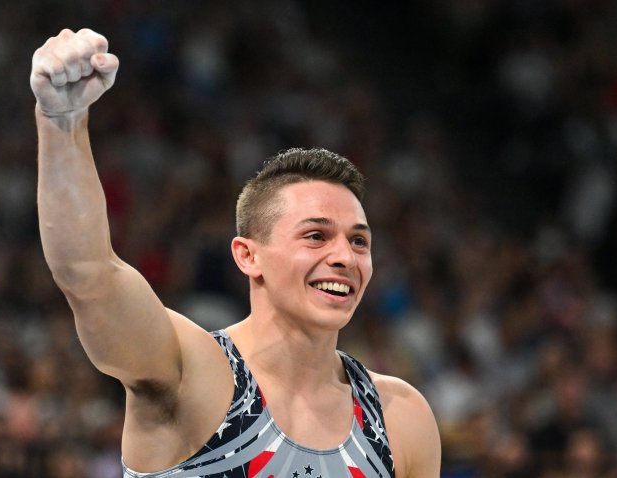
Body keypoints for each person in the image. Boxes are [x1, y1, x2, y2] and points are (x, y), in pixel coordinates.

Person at [30, 28, 441, 478]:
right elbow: (89, 275)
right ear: (248, 256)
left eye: (359, 240)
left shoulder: (401, 417)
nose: (345, 256)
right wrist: (62, 122)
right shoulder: (190, 373)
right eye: (316, 236)